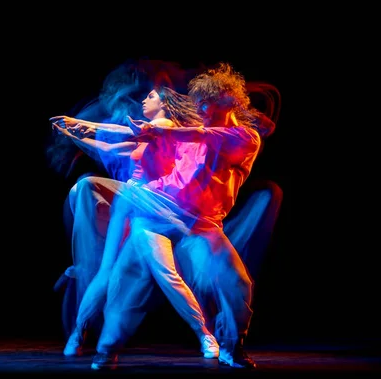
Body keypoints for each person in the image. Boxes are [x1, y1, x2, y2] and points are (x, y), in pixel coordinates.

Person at [91, 62, 275, 370]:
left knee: (237, 282)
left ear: (227, 101)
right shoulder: (189, 133)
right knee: (130, 278)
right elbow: (165, 138)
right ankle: (107, 349)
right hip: (156, 212)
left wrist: (167, 131)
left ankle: (232, 346)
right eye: (199, 102)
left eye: (207, 102)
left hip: (202, 225)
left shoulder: (243, 138)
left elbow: (204, 134)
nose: (200, 107)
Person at [50, 86, 220, 359]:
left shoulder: (163, 125)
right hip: (131, 200)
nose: (144, 100)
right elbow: (107, 146)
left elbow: (120, 131)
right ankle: (77, 333)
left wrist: (80, 123)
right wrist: (73, 134)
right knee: (108, 271)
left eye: (151, 96)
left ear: (166, 105)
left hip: (151, 209)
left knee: (164, 273)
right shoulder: (148, 134)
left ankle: (204, 334)